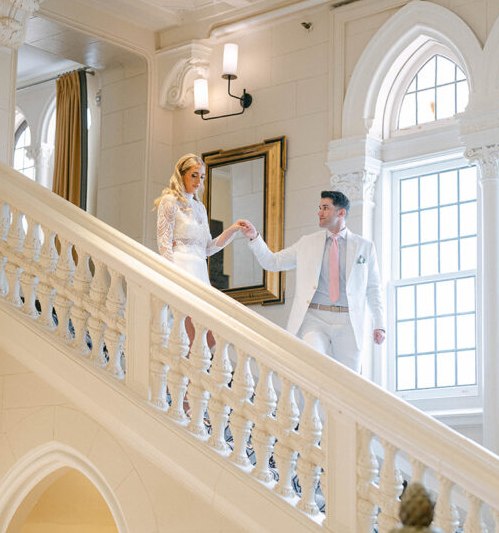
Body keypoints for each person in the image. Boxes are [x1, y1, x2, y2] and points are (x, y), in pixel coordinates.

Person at [241, 190, 385, 372]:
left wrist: (379, 324)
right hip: (314, 318)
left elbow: (373, 288)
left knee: (349, 379)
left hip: (349, 320)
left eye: (325, 208)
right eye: (319, 208)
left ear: (341, 213)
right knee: (310, 367)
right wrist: (255, 238)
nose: (319, 212)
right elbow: (273, 262)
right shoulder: (307, 243)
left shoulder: (365, 247)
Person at [155, 153, 246, 284]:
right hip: (180, 267)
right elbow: (164, 244)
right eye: (194, 175)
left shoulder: (200, 208)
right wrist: (171, 276)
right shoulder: (170, 201)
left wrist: (232, 230)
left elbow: (208, 248)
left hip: (200, 271)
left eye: (202, 177)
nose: (198, 182)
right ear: (181, 175)